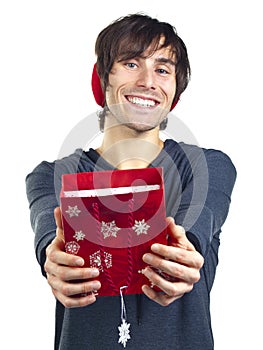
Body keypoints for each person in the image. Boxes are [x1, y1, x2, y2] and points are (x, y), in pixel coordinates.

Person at [25, 13, 236, 350]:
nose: (148, 81)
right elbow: (49, 238)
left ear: (173, 94)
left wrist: (181, 258)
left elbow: (196, 227)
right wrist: (53, 260)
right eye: (132, 64)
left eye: (163, 70)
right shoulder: (52, 175)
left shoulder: (206, 167)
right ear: (101, 80)